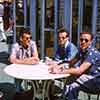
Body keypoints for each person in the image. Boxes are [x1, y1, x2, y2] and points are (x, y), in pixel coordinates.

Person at [49, 32, 100, 100]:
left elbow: (79, 71)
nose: (83, 42)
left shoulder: (92, 52)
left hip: (96, 81)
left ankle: (63, 97)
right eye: (81, 39)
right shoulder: (82, 50)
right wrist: (59, 66)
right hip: (86, 80)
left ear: (91, 41)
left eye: (86, 40)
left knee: (72, 76)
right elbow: (71, 63)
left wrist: (59, 71)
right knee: (72, 86)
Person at [9, 28, 39, 92]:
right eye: (27, 38)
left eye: (30, 38)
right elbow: (11, 60)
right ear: (21, 39)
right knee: (17, 88)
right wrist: (28, 61)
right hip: (19, 69)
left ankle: (34, 93)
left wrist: (19, 61)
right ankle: (18, 94)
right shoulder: (15, 46)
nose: (29, 40)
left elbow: (36, 58)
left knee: (36, 83)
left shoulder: (32, 43)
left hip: (31, 69)